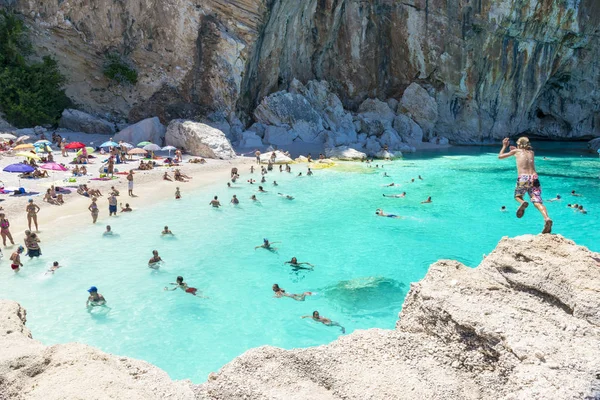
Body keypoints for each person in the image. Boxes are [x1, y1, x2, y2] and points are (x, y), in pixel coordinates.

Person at [498, 137, 552, 234]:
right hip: (534, 178)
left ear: (518, 144)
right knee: (537, 202)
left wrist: (504, 146)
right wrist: (516, 149)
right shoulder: (531, 152)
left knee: (517, 196)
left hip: (523, 178)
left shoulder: (516, 152)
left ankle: (522, 202)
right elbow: (524, 151)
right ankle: (547, 218)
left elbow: (500, 156)